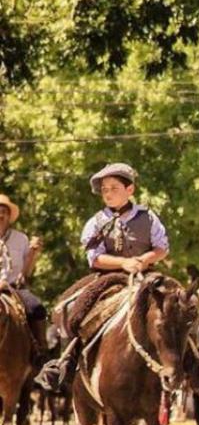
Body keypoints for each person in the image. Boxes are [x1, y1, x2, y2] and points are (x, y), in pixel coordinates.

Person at [36, 163, 169, 392]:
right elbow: (94, 259)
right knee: (71, 308)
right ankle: (64, 365)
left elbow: (162, 248)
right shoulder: (95, 222)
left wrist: (144, 260)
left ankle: (195, 366)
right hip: (107, 276)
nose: (107, 193)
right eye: (104, 189)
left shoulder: (149, 217)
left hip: (145, 274)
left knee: (179, 304)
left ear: (130, 190)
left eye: (113, 188)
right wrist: (124, 263)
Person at [0, 194, 46, 353]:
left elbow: (27, 272)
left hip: (14, 288)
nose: (0, 215)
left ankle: (41, 352)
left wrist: (33, 254)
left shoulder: (21, 238)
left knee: (36, 307)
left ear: (8, 216)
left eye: (3, 212)